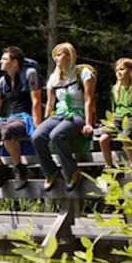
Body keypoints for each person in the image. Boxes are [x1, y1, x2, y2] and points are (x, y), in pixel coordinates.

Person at [0, 46, 43, 190]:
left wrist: (37, 126)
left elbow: (36, 101)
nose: (0, 61)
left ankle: (19, 168)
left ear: (15, 62)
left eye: (4, 59)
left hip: (25, 118)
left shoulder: (30, 74)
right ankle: (1, 169)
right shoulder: (2, 81)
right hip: (10, 119)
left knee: (7, 131)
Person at [32, 42, 95, 192]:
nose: (57, 58)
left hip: (77, 113)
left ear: (70, 56)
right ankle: (51, 172)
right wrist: (44, 121)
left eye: (60, 54)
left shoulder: (83, 73)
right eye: (55, 55)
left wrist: (88, 123)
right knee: (37, 136)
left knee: (56, 135)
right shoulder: (54, 78)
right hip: (59, 114)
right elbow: (50, 104)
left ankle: (72, 171)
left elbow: (89, 99)